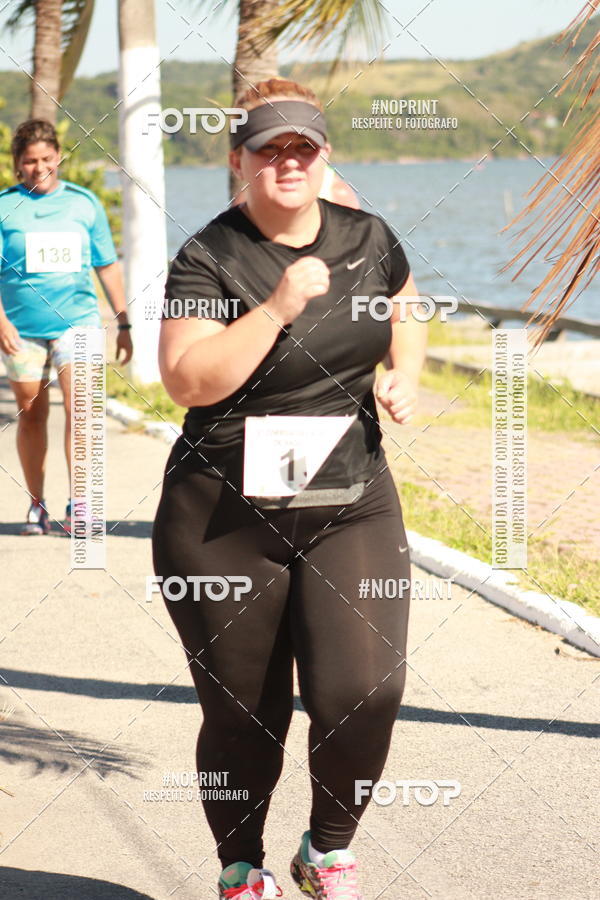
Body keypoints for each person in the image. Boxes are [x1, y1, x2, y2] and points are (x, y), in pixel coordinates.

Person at [153, 77, 427, 900]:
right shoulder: (208, 254)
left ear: (323, 157)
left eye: (302, 146)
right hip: (223, 514)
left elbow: (406, 310)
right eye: (269, 149)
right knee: (245, 714)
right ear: (239, 161)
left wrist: (402, 375)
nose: (287, 160)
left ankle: (326, 850)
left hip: (350, 500)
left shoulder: (369, 235)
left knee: (366, 689)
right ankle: (241, 869)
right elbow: (188, 379)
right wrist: (274, 305)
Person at [0, 119, 132, 535]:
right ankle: (37, 505)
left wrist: (124, 320)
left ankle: (81, 505)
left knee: (83, 412)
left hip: (79, 323)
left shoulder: (84, 203)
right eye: (29, 161)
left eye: (46, 159)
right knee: (32, 415)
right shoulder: (5, 207)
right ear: (17, 165)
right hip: (22, 330)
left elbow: (107, 265)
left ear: (58, 156)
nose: (39, 168)